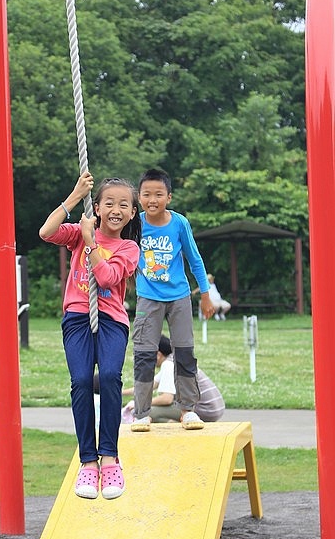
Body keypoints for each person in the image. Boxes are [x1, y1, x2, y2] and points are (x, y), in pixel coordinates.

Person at [39, 172, 141, 500]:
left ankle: (109, 457)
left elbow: (109, 278)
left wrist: (93, 243)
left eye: (123, 205)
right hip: (77, 317)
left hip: (111, 320)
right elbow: (47, 231)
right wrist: (73, 198)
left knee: (110, 377)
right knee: (81, 381)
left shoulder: (129, 248)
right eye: (108, 203)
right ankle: (88, 461)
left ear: (132, 213)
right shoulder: (80, 233)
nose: (115, 209)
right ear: (96, 208)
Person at [131, 167, 215, 432]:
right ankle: (142, 413)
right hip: (148, 298)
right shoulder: (135, 223)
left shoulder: (179, 223)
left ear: (169, 197)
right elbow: (119, 252)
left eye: (158, 194)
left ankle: (188, 410)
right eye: (146, 194)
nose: (152, 200)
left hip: (179, 298)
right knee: (144, 355)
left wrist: (205, 294)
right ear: (139, 197)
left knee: (185, 354)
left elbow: (195, 259)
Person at [121, 335, 225, 423]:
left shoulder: (169, 365)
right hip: (214, 408)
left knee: (144, 413)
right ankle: (174, 423)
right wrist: (120, 392)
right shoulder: (174, 359)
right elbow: (148, 386)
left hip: (205, 411)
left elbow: (166, 399)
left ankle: (174, 427)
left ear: (158, 354)